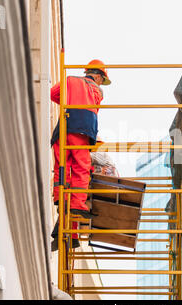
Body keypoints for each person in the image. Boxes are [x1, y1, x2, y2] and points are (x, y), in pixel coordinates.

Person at [50, 59, 111, 251]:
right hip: (82, 129)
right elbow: (93, 109)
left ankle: (60, 197)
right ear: (99, 76)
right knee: (81, 168)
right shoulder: (97, 91)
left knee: (62, 167)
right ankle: (77, 204)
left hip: (63, 129)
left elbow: (53, 94)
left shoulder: (69, 80)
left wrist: (69, 100)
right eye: (102, 80)